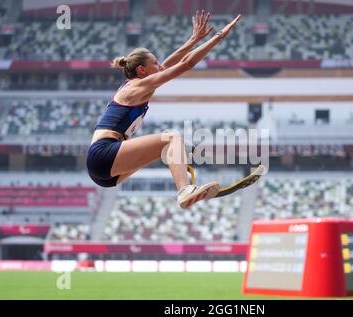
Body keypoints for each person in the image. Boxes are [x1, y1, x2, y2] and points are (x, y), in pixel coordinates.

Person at [86, 11, 242, 209]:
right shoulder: (138, 87)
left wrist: (193, 39)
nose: (161, 66)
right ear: (142, 69)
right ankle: (184, 190)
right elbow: (187, 63)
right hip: (103, 156)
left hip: (107, 173)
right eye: (155, 63)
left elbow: (173, 61)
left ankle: (185, 182)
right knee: (172, 138)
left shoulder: (140, 84)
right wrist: (218, 37)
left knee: (168, 149)